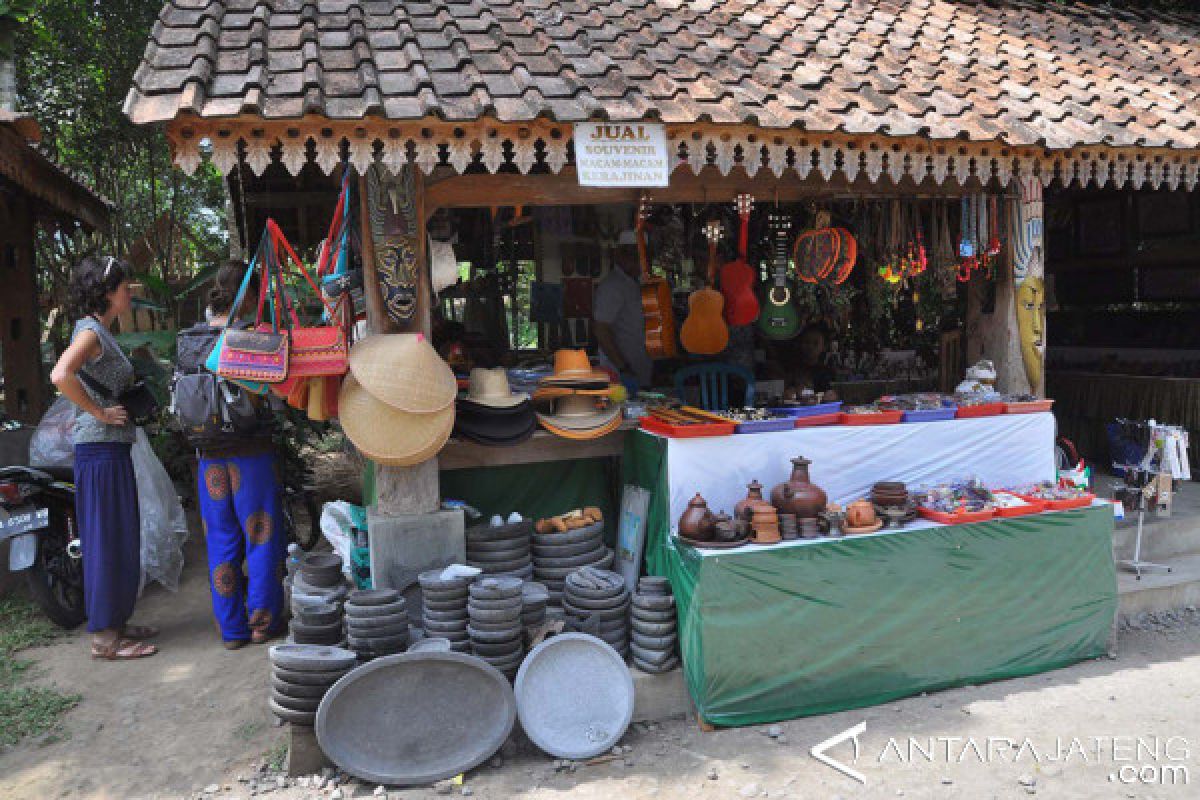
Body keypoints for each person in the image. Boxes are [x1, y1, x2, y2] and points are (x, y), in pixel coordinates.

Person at [50, 256, 158, 660]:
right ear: (108, 292)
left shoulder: (99, 332)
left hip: (110, 448)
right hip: (98, 447)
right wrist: (97, 412)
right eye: (124, 286)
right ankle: (105, 639)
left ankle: (116, 621)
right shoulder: (91, 332)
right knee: (106, 540)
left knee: (120, 537)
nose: (129, 291)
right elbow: (60, 374)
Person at [181, 260, 286, 649]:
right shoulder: (250, 337)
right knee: (260, 535)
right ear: (251, 295)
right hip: (250, 455)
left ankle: (232, 630)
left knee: (221, 540)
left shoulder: (191, 340)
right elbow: (273, 394)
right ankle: (262, 623)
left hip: (208, 455)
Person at [593, 235, 653, 392]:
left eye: (642, 257)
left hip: (639, 372)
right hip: (621, 376)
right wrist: (623, 368)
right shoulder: (612, 286)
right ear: (621, 256)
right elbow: (601, 330)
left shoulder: (634, 283)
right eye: (634, 256)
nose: (640, 262)